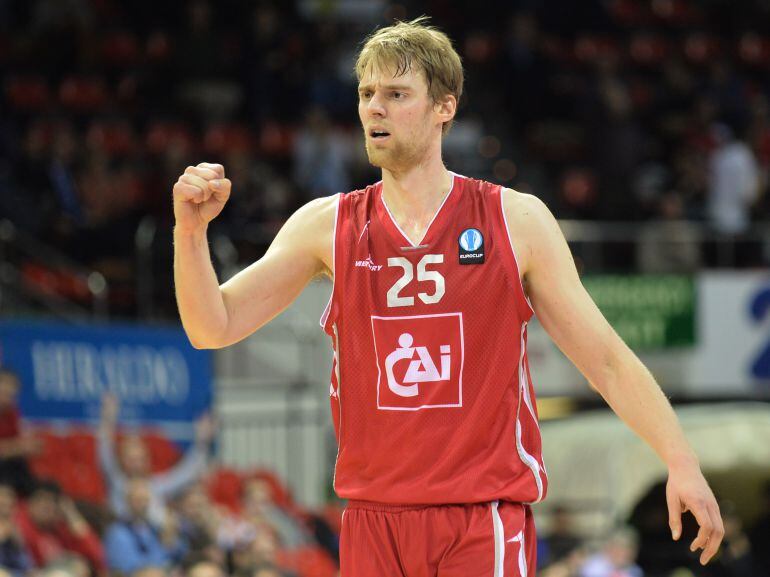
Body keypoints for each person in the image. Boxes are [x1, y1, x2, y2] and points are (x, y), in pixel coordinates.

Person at [172, 16, 724, 576]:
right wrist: (190, 235)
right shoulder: (325, 225)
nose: (374, 109)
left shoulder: (515, 220)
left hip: (480, 518)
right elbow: (210, 326)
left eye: (395, 94)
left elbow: (605, 360)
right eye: (366, 94)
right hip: (372, 522)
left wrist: (681, 461)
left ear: (445, 108)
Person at [98, 393, 214, 526]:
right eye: (131, 459)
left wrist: (202, 442)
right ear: (122, 460)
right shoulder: (117, 482)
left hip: (158, 540)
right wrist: (107, 419)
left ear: (147, 460)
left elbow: (186, 474)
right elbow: (104, 455)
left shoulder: (156, 485)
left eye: (140, 458)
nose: (136, 463)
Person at [0, 368, 40, 498]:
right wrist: (17, 448)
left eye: (13, 393)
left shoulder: (12, 413)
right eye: (5, 391)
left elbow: (18, 442)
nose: (9, 396)